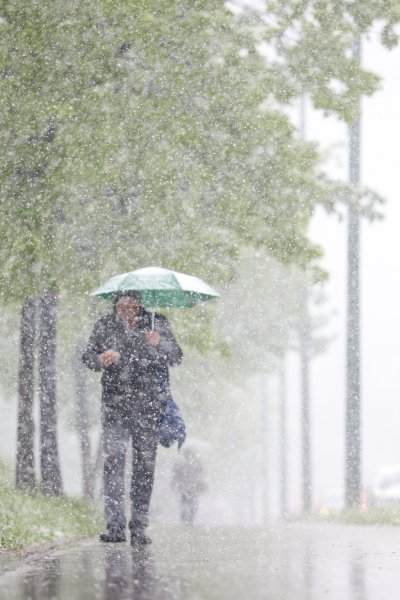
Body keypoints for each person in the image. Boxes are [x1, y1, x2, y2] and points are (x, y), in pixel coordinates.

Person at [82, 290, 182, 545]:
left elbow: (176, 356)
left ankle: (139, 526)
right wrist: (101, 359)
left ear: (139, 305)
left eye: (132, 306)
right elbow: (88, 357)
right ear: (115, 305)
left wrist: (159, 342)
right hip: (114, 405)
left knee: (144, 466)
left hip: (148, 406)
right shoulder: (105, 325)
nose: (126, 311)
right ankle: (115, 526)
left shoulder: (156, 322)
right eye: (121, 306)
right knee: (114, 462)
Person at [171, 448, 207, 525]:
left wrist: (174, 483)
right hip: (189, 487)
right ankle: (188, 519)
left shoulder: (181, 464)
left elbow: (200, 475)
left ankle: (187, 519)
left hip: (188, 487)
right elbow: (200, 475)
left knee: (187, 503)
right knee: (189, 503)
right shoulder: (195, 464)